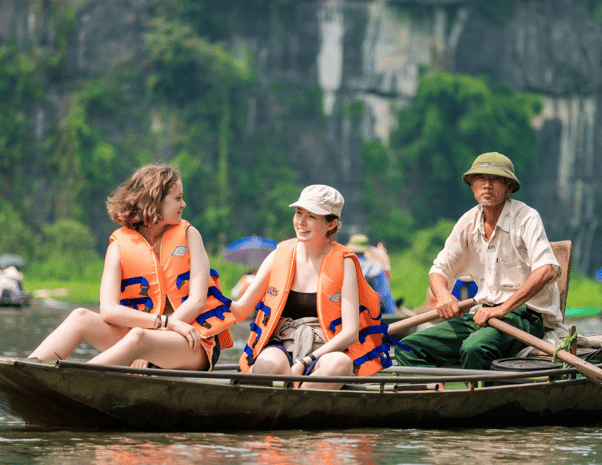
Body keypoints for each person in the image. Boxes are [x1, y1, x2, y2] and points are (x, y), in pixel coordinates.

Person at [29, 164, 237, 370]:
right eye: (177, 198)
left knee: (140, 336)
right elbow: (109, 311)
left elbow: (197, 301)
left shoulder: (191, 235)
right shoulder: (118, 247)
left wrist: (152, 341)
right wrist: (163, 325)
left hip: (194, 342)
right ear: (153, 202)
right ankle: (28, 370)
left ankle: (69, 381)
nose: (183, 204)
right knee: (80, 317)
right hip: (145, 338)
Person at [394, 152, 563, 370]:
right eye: (480, 179)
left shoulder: (526, 218)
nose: (487, 185)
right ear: (472, 185)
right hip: (483, 314)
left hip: (525, 316)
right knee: (407, 347)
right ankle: (436, 395)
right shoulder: (468, 222)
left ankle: (481, 401)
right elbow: (438, 269)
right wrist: (444, 296)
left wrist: (502, 309)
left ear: (509, 187)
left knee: (475, 348)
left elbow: (546, 270)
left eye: (495, 179)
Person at [229, 185, 392, 389]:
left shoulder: (344, 262)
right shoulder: (279, 255)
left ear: (331, 224)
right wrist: (208, 298)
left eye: (311, 217)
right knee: (265, 364)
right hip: (283, 342)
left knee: (341, 363)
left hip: (324, 349)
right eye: (298, 213)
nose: (301, 222)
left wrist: (305, 362)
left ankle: (299, 407)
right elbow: (241, 309)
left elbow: (350, 332)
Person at [347, 234, 398, 316]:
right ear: (366, 248)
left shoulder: (343, 264)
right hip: (372, 313)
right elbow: (384, 294)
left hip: (348, 312)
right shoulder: (376, 266)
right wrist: (392, 313)